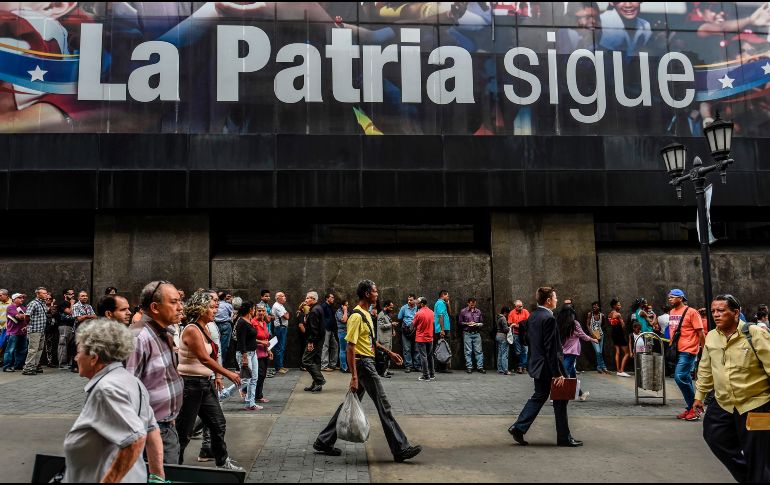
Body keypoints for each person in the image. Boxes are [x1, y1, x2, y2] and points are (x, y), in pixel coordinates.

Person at [313, 280, 422, 463]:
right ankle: (401, 448)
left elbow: (371, 341)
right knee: (383, 406)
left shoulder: (366, 314)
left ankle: (323, 441)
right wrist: (354, 376)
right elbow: (350, 347)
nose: (377, 294)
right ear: (366, 294)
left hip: (366, 363)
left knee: (348, 403)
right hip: (363, 365)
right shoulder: (356, 316)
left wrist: (390, 353)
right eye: (374, 291)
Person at [63, 319, 162, 483]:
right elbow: (152, 430)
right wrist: (158, 476)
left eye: (79, 351)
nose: (75, 358)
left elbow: (135, 438)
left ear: (94, 358)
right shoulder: (131, 381)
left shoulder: (106, 389)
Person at [694, 294, 770, 482]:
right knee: (714, 436)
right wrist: (699, 396)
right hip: (724, 403)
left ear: (736, 312)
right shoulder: (712, 337)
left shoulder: (754, 334)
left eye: (721, 310)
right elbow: (705, 368)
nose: (716, 315)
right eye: (713, 311)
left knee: (757, 453)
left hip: (756, 404)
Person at [176, 290, 243, 471]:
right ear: (201, 308)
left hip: (204, 383)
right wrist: (229, 374)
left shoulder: (206, 327)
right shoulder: (192, 329)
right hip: (191, 384)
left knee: (217, 423)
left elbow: (212, 356)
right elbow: (205, 359)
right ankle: (173, 467)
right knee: (184, 432)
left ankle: (222, 461)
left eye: (215, 307)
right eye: (212, 307)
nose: (215, 310)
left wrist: (218, 376)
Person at [509, 287, 582, 447]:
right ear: (548, 300)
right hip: (549, 366)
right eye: (555, 297)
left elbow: (524, 332)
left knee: (540, 395)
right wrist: (557, 373)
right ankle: (564, 437)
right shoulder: (549, 318)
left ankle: (519, 427)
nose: (556, 300)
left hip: (537, 364)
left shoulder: (533, 315)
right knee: (560, 400)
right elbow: (551, 348)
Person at [126, 281, 184, 469]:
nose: (180, 307)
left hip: (165, 425)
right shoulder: (139, 337)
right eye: (174, 302)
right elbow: (126, 391)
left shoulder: (163, 332)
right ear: (155, 307)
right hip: (151, 431)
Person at [667, 288, 705, 421]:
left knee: (679, 376)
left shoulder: (692, 312)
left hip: (689, 349)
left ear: (681, 298)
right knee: (686, 378)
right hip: (677, 350)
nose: (670, 299)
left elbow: (700, 333)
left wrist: (704, 351)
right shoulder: (671, 312)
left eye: (672, 297)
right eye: (669, 297)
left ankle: (695, 408)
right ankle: (691, 408)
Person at [558, 305, 598, 402]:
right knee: (565, 372)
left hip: (564, 350)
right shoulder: (574, 324)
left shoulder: (559, 323)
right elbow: (583, 336)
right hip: (573, 351)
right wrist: (593, 339)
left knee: (571, 373)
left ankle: (580, 393)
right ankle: (557, 394)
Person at [234, 301, 261, 410]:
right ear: (250, 309)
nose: (254, 311)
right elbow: (241, 341)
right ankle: (223, 394)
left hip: (253, 353)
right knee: (245, 380)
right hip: (245, 354)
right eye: (254, 309)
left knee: (254, 378)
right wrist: (244, 357)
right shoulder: (241, 322)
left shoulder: (248, 321)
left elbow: (250, 338)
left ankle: (251, 403)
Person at [302, 291, 326, 392]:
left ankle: (319, 380)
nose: (306, 300)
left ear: (313, 299)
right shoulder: (317, 308)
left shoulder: (314, 310)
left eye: (308, 298)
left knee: (306, 360)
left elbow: (313, 328)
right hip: (319, 339)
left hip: (315, 340)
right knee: (316, 361)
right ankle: (316, 383)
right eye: (306, 298)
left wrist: (310, 342)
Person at [22, 287, 48, 376]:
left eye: (46, 293)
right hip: (34, 330)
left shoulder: (43, 303)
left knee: (40, 349)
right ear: (38, 294)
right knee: (33, 350)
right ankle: (28, 368)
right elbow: (27, 316)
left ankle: (35, 366)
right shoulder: (33, 303)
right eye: (44, 293)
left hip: (41, 330)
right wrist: (29, 325)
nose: (46, 294)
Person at [251, 303, 273, 405]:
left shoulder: (264, 323)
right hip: (255, 353)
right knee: (259, 375)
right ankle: (257, 396)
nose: (261, 312)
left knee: (262, 375)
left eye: (263, 311)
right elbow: (250, 339)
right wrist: (262, 342)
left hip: (264, 352)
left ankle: (253, 393)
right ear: (255, 311)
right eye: (259, 310)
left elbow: (266, 337)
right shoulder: (253, 323)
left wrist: (269, 350)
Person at [2, 293, 28, 373]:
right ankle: (7, 366)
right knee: (10, 350)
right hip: (13, 333)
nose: (22, 299)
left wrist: (25, 317)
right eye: (20, 298)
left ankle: (18, 366)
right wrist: (26, 315)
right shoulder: (11, 307)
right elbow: (19, 317)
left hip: (23, 333)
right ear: (14, 299)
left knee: (22, 350)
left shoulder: (23, 307)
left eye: (23, 298)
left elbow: (26, 318)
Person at [459, 297, 485, 374]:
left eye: (474, 303)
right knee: (468, 351)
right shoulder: (463, 311)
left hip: (477, 333)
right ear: (468, 303)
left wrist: (477, 324)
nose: (473, 304)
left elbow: (482, 323)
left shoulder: (478, 312)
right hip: (467, 333)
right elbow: (460, 322)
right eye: (471, 303)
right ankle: (469, 367)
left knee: (479, 351)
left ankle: (480, 367)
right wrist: (467, 323)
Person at [397, 295, 420, 373]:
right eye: (408, 300)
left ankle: (417, 366)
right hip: (406, 331)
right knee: (407, 349)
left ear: (415, 300)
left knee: (417, 349)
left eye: (411, 300)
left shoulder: (418, 308)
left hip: (416, 330)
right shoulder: (403, 308)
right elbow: (399, 317)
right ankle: (408, 366)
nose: (409, 301)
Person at [414, 297, 435, 381]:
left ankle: (426, 375)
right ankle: (432, 374)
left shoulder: (419, 313)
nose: (417, 304)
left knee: (423, 357)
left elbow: (414, 324)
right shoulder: (432, 312)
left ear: (422, 304)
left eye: (418, 303)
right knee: (430, 356)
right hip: (430, 337)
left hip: (421, 338)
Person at [585, 301, 610, 374]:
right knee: (598, 351)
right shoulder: (590, 314)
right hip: (593, 335)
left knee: (600, 352)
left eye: (596, 306)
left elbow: (604, 325)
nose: (594, 308)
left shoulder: (602, 315)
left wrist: (599, 331)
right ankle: (602, 367)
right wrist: (592, 334)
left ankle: (601, 367)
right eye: (593, 306)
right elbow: (587, 325)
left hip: (600, 334)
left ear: (599, 307)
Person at [609, 298, 631, 377]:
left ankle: (618, 370)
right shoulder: (618, 314)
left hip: (613, 334)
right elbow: (623, 325)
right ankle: (621, 370)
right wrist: (622, 321)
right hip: (619, 334)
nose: (620, 306)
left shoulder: (610, 314)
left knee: (617, 352)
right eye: (618, 305)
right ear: (614, 306)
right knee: (627, 353)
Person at [508, 300, 530, 374]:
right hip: (516, 334)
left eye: (522, 306)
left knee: (525, 351)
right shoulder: (512, 313)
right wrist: (518, 325)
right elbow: (510, 324)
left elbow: (528, 322)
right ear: (515, 307)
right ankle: (520, 366)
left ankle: (523, 367)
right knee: (518, 351)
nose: (521, 307)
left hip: (524, 334)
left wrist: (518, 325)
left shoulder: (525, 312)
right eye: (519, 306)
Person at [214, 291, 234, 369]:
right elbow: (231, 315)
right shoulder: (228, 305)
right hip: (226, 324)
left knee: (215, 344)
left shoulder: (216, 305)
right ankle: (221, 364)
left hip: (216, 325)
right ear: (225, 297)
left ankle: (216, 364)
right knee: (224, 346)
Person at [377, 300, 397, 378]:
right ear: (386, 306)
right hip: (384, 339)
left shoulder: (386, 314)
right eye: (390, 307)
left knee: (388, 355)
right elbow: (381, 326)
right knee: (385, 355)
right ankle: (383, 372)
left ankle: (386, 370)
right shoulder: (381, 314)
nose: (392, 309)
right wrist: (391, 324)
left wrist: (393, 330)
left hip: (388, 338)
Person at [433, 290, 452, 373]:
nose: (448, 297)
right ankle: (442, 368)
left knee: (442, 348)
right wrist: (442, 330)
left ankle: (440, 367)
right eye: (447, 296)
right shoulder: (440, 303)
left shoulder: (443, 303)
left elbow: (449, 313)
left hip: (444, 328)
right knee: (442, 349)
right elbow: (440, 316)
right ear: (443, 295)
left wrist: (448, 304)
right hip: (442, 329)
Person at [271, 292, 290, 374]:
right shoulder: (277, 306)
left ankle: (281, 366)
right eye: (282, 296)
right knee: (279, 347)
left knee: (281, 347)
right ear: (278, 298)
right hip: (280, 328)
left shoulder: (281, 306)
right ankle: (278, 367)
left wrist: (286, 314)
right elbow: (287, 316)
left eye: (284, 296)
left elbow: (287, 315)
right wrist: (286, 314)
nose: (284, 297)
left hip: (283, 328)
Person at [321, 293, 339, 372]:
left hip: (331, 329)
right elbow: (320, 317)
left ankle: (332, 365)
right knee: (325, 346)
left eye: (333, 297)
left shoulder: (330, 306)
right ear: (327, 298)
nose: (333, 299)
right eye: (331, 297)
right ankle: (324, 366)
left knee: (335, 346)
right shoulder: (323, 306)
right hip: (326, 329)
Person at [57, 300, 77, 370]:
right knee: (63, 345)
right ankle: (62, 364)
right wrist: (72, 304)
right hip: (64, 326)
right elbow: (70, 312)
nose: (72, 295)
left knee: (71, 345)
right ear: (65, 295)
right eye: (70, 294)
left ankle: (70, 363)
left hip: (72, 327)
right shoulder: (63, 303)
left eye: (73, 293)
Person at [496, 306, 511, 375]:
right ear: (505, 312)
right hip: (503, 336)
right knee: (504, 354)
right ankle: (505, 370)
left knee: (500, 353)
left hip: (498, 335)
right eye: (508, 313)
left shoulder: (498, 317)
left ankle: (500, 369)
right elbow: (506, 329)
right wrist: (511, 326)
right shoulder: (503, 318)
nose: (509, 314)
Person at [335, 300, 349, 373]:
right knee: (343, 350)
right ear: (342, 306)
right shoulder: (339, 312)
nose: (347, 306)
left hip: (347, 332)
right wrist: (345, 310)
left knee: (346, 350)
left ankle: (344, 366)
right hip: (342, 332)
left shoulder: (345, 312)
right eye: (346, 305)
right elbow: (344, 320)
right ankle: (344, 368)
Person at [0, 289, 11, 356]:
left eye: (0, 295)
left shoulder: (12, 303)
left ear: (6, 295)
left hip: (7, 328)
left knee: (5, 345)